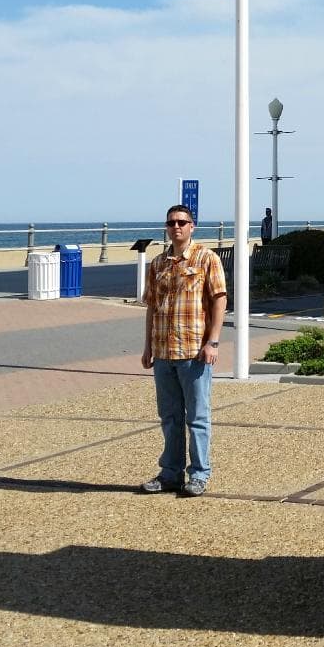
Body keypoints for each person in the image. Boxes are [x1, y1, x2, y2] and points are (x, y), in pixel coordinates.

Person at [140, 204, 227, 497]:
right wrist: (147, 347)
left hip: (194, 351)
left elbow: (219, 300)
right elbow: (152, 306)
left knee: (197, 416)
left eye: (181, 222)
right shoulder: (158, 263)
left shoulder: (206, 258)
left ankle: (199, 474)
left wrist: (212, 342)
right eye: (171, 223)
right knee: (170, 417)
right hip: (164, 352)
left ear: (192, 226)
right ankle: (170, 474)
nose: (176, 227)